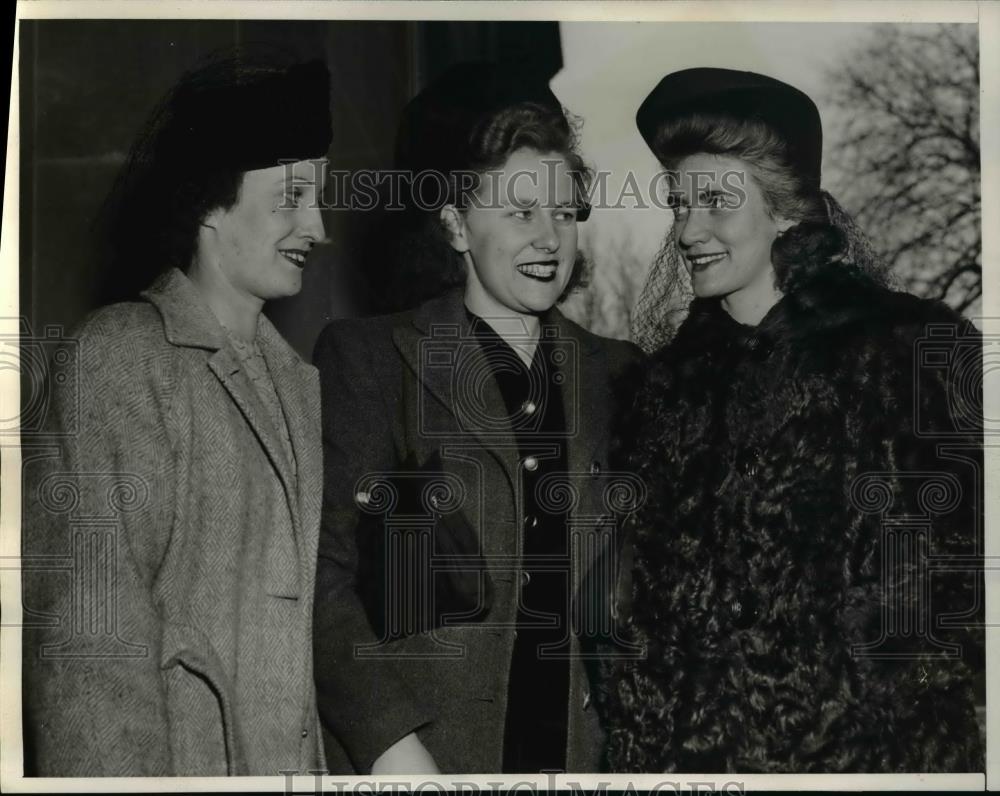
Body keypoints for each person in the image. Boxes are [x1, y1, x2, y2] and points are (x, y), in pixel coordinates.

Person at [601, 68, 984, 772]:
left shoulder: (908, 353)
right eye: (679, 202)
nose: (688, 230)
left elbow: (947, 611)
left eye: (716, 200)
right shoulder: (660, 392)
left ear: (785, 208)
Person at [312, 64, 643, 775]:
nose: (549, 238)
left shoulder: (619, 373)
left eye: (563, 213)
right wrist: (391, 748)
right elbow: (323, 583)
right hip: (422, 761)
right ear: (458, 225)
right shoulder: (371, 360)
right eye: (521, 213)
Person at [22, 50, 332, 776]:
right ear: (207, 206)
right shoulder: (121, 358)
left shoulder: (297, 382)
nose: (317, 225)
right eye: (290, 197)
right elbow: (91, 649)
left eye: (318, 196)